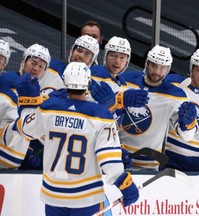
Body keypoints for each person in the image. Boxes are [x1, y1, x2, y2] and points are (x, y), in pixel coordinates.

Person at [16, 62, 139, 215]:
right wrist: (124, 183)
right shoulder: (101, 115)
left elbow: (25, 129)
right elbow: (109, 159)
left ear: (65, 81)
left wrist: (27, 102)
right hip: (86, 196)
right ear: (88, 82)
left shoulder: (48, 108)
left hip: (53, 194)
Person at [119, 45, 198, 170]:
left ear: (168, 69)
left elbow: (187, 137)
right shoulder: (126, 80)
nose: (157, 71)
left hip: (150, 163)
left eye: (162, 67)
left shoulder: (176, 95)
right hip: (118, 156)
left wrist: (189, 124)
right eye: (154, 65)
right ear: (147, 64)